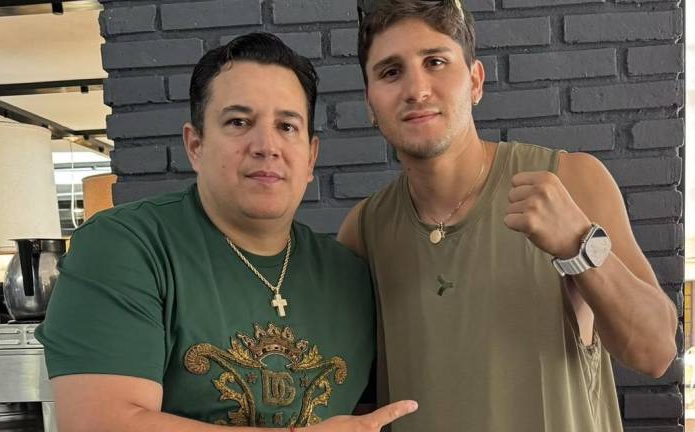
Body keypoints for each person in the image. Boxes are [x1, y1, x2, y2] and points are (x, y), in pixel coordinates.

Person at [36, 33, 416, 432]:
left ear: (310, 157)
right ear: (195, 145)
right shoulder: (124, 247)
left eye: (287, 126)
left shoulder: (350, 277)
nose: (266, 145)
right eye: (239, 122)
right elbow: (101, 424)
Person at [337, 1, 678, 431]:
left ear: (475, 81)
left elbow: (656, 352)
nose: (417, 89)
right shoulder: (365, 230)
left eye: (436, 62)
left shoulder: (571, 179)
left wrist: (580, 245)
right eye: (390, 72)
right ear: (370, 103)